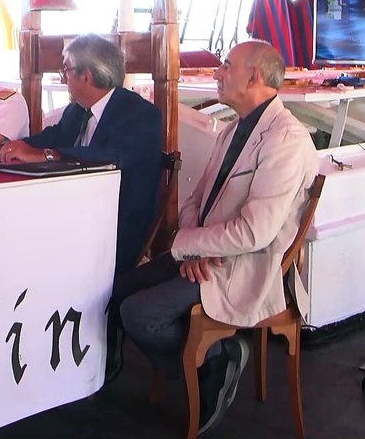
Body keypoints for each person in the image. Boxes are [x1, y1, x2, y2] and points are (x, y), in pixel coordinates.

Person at [118, 41, 317, 435]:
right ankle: (213, 358)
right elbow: (196, 199)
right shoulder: (231, 131)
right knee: (118, 290)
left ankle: (217, 356)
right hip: (208, 255)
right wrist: (194, 246)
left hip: (249, 266)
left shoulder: (287, 141)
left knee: (138, 314)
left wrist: (191, 245)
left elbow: (255, 232)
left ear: (254, 76)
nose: (217, 72)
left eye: (226, 65)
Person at [0, 34, 162, 276]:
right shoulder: (76, 111)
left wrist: (48, 155)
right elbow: (52, 137)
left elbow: (109, 157)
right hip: (71, 217)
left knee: (28, 248)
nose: (62, 77)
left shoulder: (140, 114)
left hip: (115, 228)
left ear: (86, 76)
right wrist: (9, 146)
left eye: (66, 69)